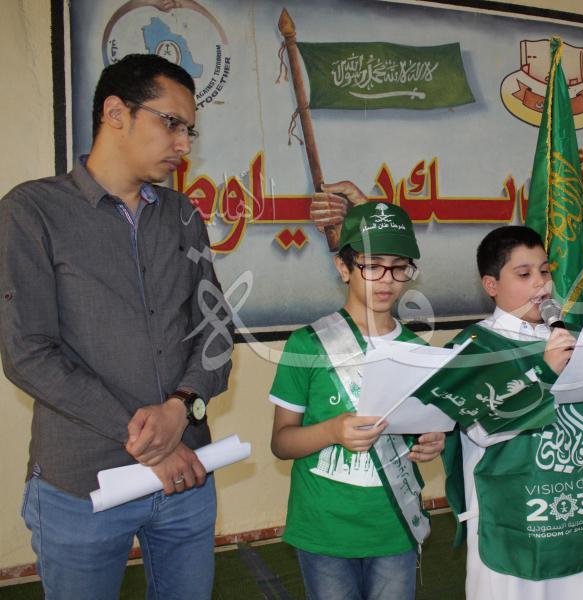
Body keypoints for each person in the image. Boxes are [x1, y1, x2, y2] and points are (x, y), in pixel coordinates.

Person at [0, 54, 233, 599]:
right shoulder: (33, 211)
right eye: (171, 123)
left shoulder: (182, 214)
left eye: (190, 130)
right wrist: (152, 442)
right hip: (83, 487)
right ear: (115, 113)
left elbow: (217, 329)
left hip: (186, 479)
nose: (184, 144)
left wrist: (181, 407)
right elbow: (28, 352)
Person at [441, 225, 583, 599]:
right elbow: (483, 428)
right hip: (514, 521)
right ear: (491, 285)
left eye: (545, 271)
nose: (541, 284)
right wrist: (545, 372)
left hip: (576, 511)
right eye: (524, 274)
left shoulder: (571, 339)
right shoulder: (473, 347)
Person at [269, 201, 445, 600]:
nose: (387, 280)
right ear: (343, 267)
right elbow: (281, 442)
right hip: (323, 526)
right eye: (372, 266)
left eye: (399, 267)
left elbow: (422, 431)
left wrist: (432, 442)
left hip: (393, 526)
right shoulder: (307, 344)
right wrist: (332, 431)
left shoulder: (419, 352)